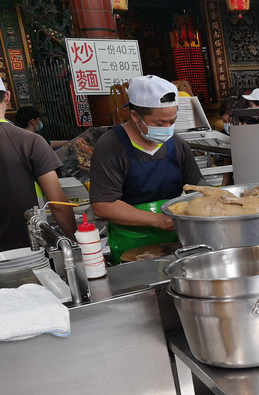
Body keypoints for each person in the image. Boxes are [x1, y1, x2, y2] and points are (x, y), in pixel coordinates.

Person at [90, 75, 203, 263]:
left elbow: (197, 187)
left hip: (179, 243)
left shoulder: (176, 143)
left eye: (172, 122)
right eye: (160, 124)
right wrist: (158, 220)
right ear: (135, 116)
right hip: (132, 247)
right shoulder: (111, 146)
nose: (167, 128)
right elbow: (103, 205)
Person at [0, 78, 76, 250]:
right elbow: (58, 204)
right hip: (27, 250)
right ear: (7, 96)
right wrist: (74, 240)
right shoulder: (30, 141)